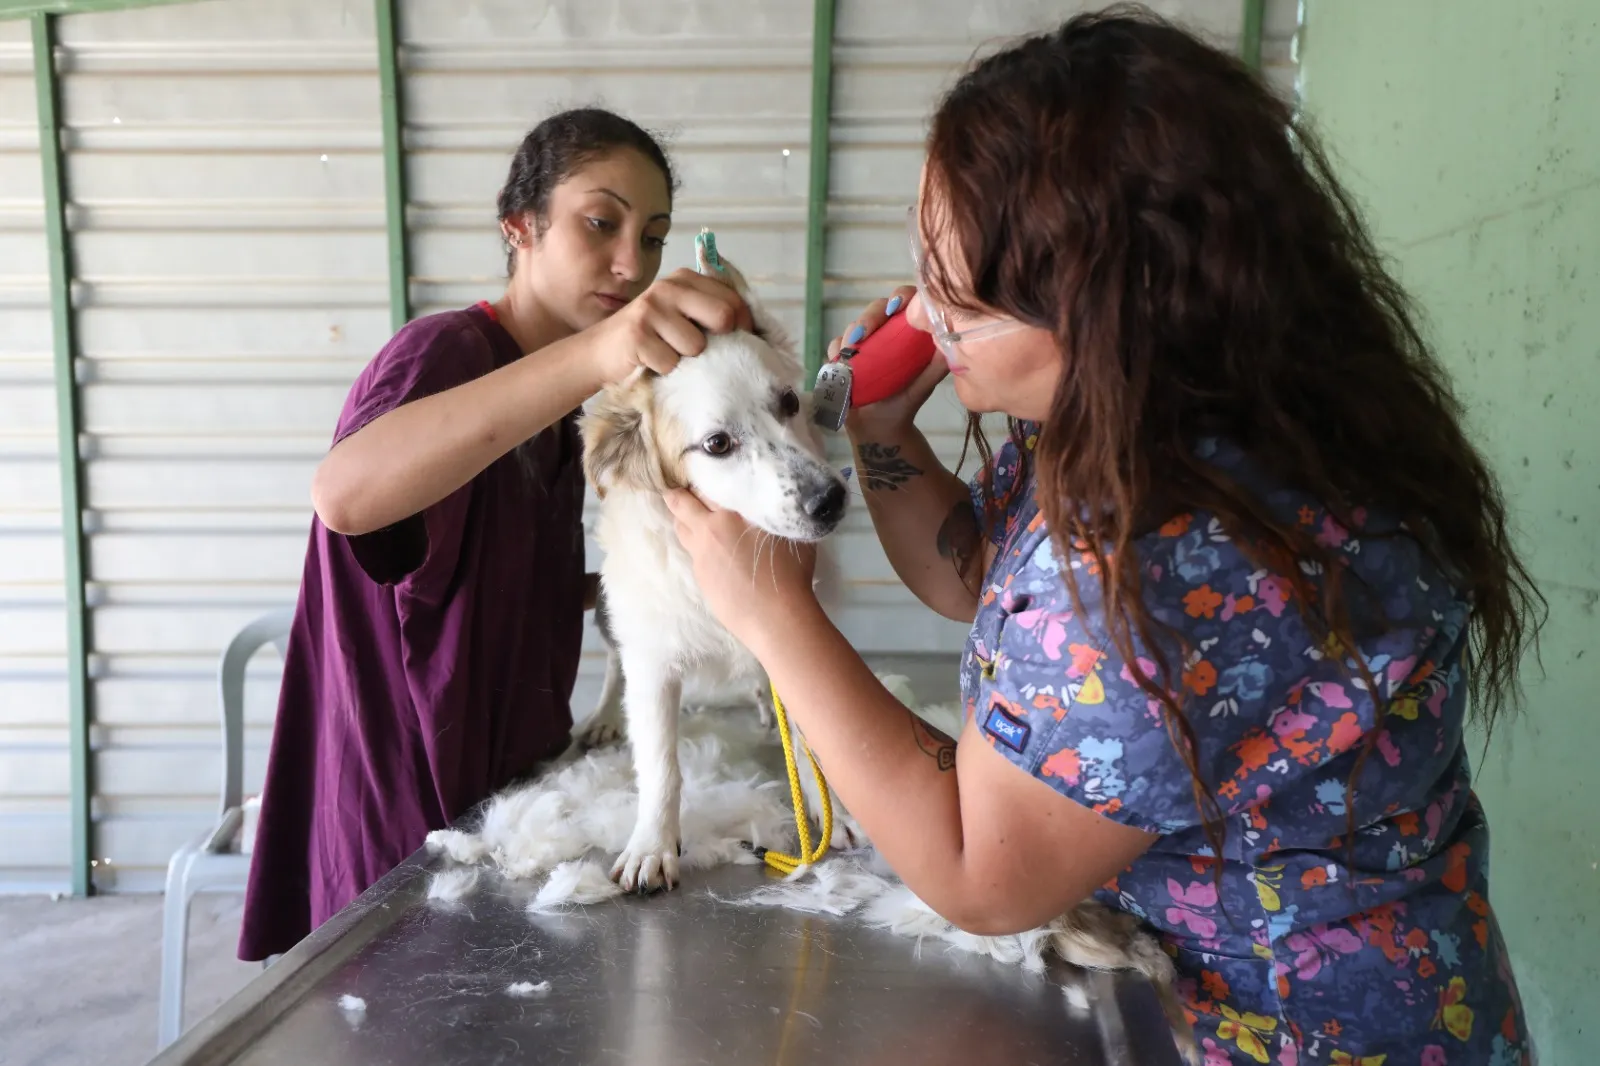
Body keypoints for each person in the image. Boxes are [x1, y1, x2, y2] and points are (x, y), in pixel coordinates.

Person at [663, 9, 1544, 1064]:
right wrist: (880, 430)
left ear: (1109, 307)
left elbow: (977, 869)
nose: (924, 312)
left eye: (964, 294)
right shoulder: (1159, 422)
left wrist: (772, 613)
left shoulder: (1190, 543)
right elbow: (977, 576)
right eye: (924, 261)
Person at [238, 108, 752, 961]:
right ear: (520, 227)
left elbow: (486, 580)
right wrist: (601, 354)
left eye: (654, 237)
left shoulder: (562, 414)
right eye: (601, 223)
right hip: (408, 817)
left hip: (506, 799)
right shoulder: (443, 356)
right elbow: (346, 496)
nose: (632, 264)